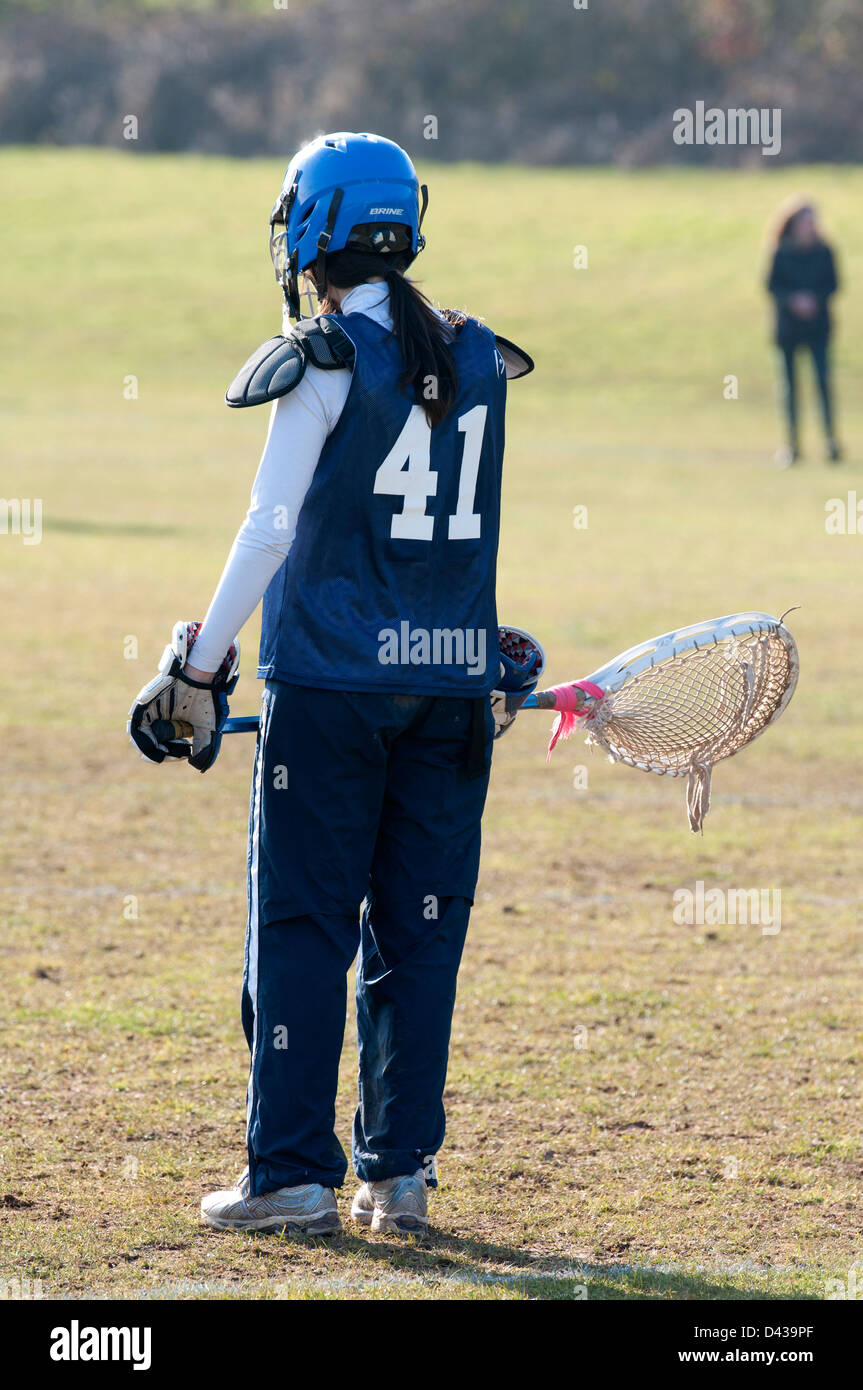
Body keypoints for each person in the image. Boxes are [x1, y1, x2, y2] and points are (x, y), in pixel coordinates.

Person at [127, 132, 535, 1235]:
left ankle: (291, 1173)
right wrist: (483, 642)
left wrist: (199, 664)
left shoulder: (323, 357)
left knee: (304, 922)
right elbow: (457, 530)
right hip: (447, 691)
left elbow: (266, 530)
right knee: (420, 929)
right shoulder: (477, 353)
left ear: (317, 230)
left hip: (331, 685)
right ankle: (396, 1174)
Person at [766, 197, 841, 465]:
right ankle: (792, 446)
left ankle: (831, 443)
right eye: (806, 220)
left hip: (818, 328)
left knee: (823, 385)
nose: (811, 226)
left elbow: (833, 284)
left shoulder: (824, 252)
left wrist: (814, 301)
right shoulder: (782, 253)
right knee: (789, 389)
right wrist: (793, 301)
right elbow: (773, 286)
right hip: (788, 330)